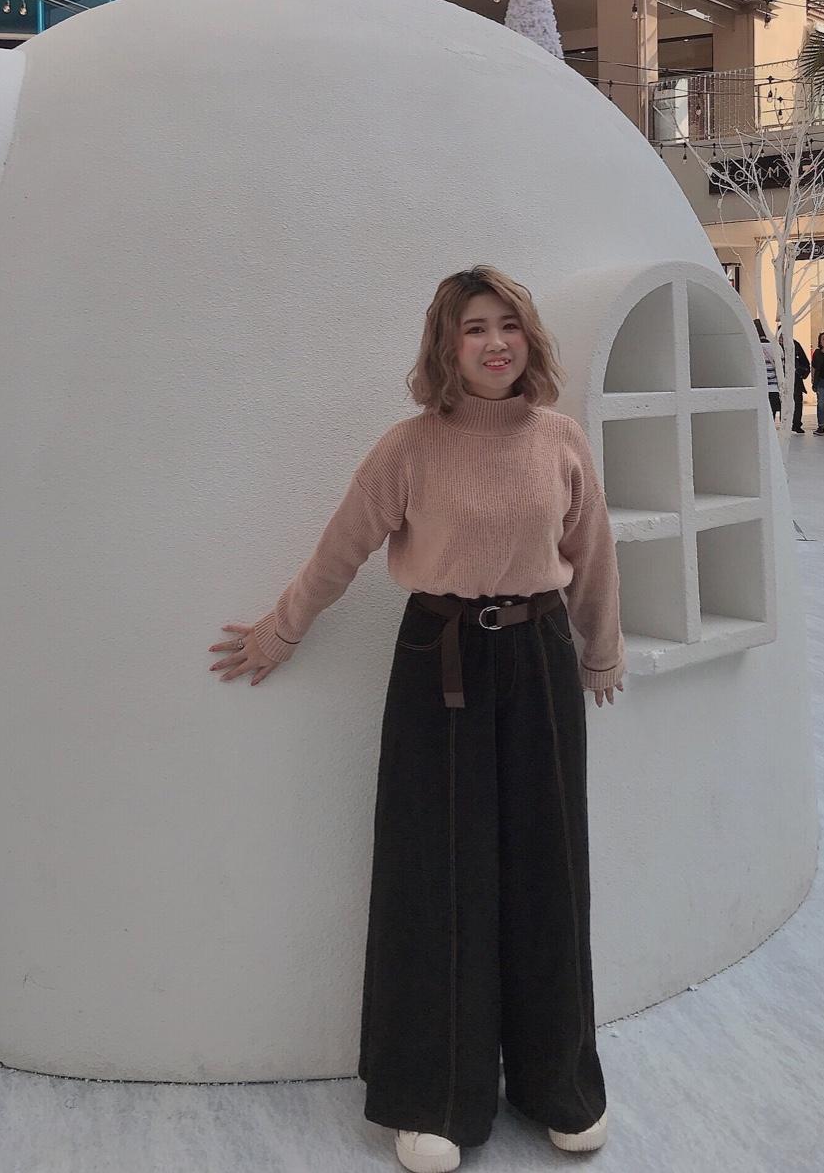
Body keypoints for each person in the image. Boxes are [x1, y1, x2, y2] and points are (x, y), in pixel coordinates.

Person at [208, 265, 625, 1172]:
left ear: (529, 337)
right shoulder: (408, 448)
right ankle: (435, 1095)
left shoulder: (560, 439)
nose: (494, 342)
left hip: (541, 658)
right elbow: (341, 549)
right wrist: (280, 630)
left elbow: (592, 553)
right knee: (436, 870)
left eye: (508, 324)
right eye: (474, 327)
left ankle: (559, 1083)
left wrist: (602, 651)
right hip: (439, 660)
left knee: (549, 868)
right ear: (447, 345)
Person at [778, 331, 811, 434]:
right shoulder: (775, 346)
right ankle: (785, 423)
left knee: (797, 402)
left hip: (795, 379)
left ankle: (796, 424)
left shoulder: (795, 345)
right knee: (782, 403)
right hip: (780, 380)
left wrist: (801, 372)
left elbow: (805, 362)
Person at [754, 320, 781, 423]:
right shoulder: (776, 347)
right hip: (774, 388)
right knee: (771, 419)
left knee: (760, 419)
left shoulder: (753, 348)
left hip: (760, 388)